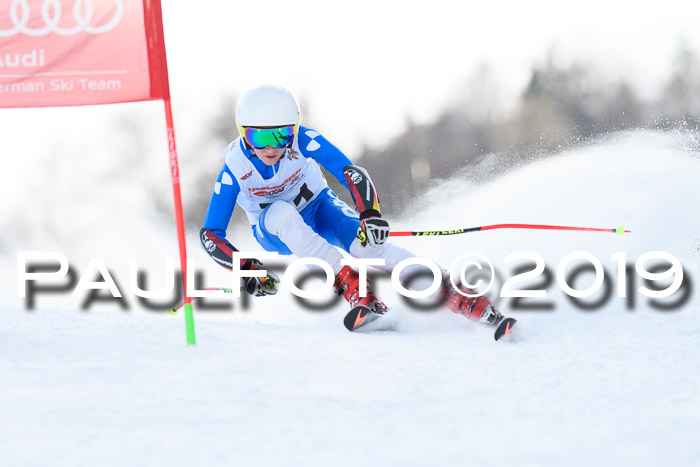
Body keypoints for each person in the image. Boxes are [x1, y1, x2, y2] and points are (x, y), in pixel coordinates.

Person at [200, 84, 511, 334]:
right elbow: (211, 233)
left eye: (281, 134)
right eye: (258, 136)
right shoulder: (234, 167)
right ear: (243, 133)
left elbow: (349, 171)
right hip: (275, 231)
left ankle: (457, 295)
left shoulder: (304, 140)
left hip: (321, 209)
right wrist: (243, 268)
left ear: (293, 129)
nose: (270, 146)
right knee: (281, 213)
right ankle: (353, 286)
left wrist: (369, 214)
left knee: (370, 249)